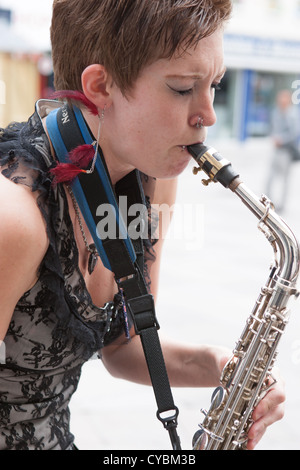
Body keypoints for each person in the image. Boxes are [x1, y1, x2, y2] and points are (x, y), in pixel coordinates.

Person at [0, 0, 285, 451]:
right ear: (100, 86)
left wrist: (220, 366)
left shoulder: (153, 185)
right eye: (182, 88)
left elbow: (120, 347)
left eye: (215, 85)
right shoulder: (14, 217)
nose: (208, 115)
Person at [266, 89, 300, 212]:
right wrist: (273, 137)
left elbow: (294, 133)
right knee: (270, 177)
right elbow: (271, 127)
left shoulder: (293, 114)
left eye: (283, 98)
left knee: (285, 179)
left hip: (287, 151)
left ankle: (282, 205)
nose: (281, 101)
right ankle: (267, 201)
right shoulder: (275, 112)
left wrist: (281, 139)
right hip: (276, 150)